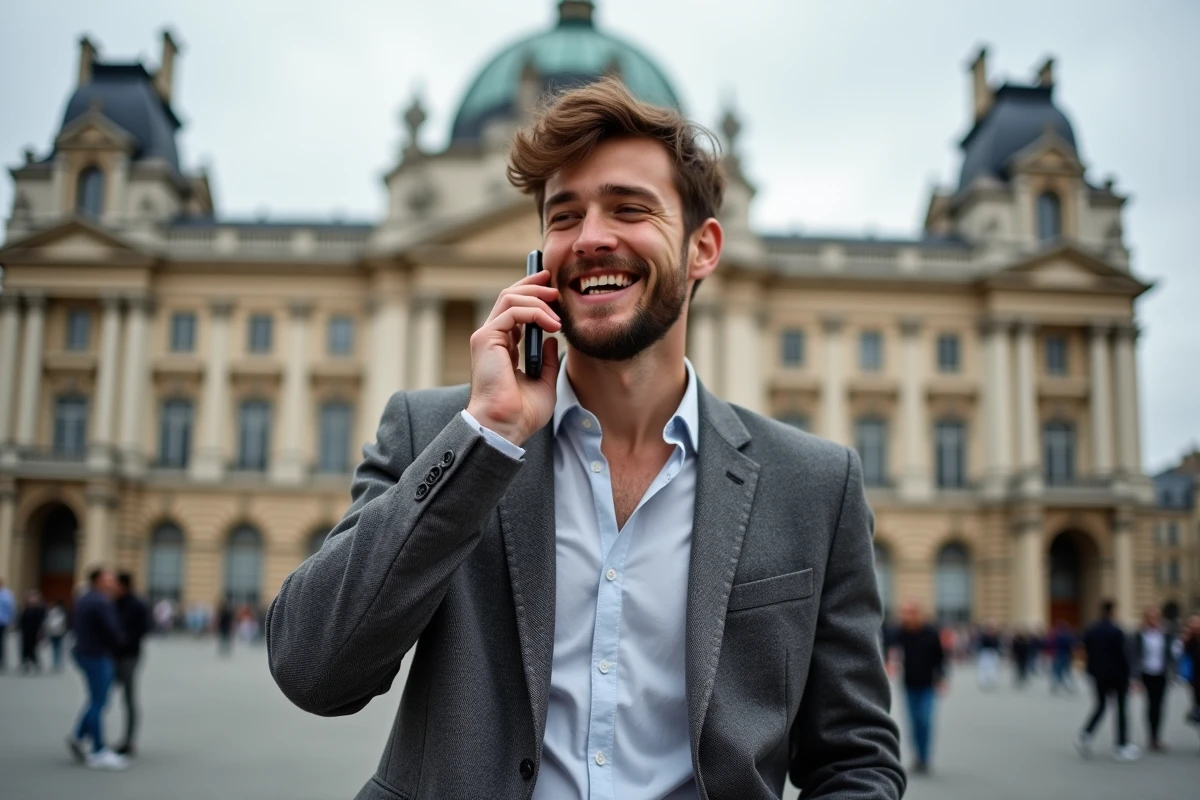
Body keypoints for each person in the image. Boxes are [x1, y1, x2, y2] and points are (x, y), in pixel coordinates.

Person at [266, 78, 904, 799]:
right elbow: (313, 671)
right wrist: (487, 436)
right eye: (564, 217)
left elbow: (855, 759)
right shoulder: (433, 436)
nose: (592, 237)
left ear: (703, 248)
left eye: (629, 208)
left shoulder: (815, 486)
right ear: (540, 256)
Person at [66, 567, 128, 770]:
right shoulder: (101, 601)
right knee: (99, 703)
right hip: (97, 655)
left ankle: (78, 735)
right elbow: (111, 630)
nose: (112, 582)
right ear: (99, 580)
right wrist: (121, 641)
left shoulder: (84, 597)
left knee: (95, 700)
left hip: (84, 652)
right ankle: (98, 751)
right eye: (109, 578)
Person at [1074, 600, 1140, 762]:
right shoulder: (1117, 631)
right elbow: (1123, 655)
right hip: (1117, 675)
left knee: (1101, 705)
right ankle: (1121, 745)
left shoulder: (1092, 629)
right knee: (1121, 709)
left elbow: (1086, 650)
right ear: (1112, 611)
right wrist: (1131, 676)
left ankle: (1085, 735)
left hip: (1098, 674)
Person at [893, 600, 945, 775]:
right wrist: (889, 662)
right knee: (913, 723)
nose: (906, 616)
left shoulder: (931, 633)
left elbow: (940, 658)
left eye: (909, 612)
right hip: (908, 685)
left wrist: (942, 677)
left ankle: (924, 757)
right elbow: (889, 649)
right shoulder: (900, 633)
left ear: (918, 613)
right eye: (904, 612)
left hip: (927, 685)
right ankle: (918, 758)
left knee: (925, 721)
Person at [113, 571, 149, 757]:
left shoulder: (136, 604)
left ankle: (128, 740)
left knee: (128, 698)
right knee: (100, 698)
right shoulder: (111, 602)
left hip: (128, 657)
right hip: (112, 657)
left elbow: (144, 629)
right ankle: (91, 737)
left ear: (122, 585)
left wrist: (123, 641)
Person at [19, 590, 47, 673]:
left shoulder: (39, 609)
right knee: (25, 649)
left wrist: (40, 632)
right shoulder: (26, 608)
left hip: (35, 632)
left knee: (33, 649)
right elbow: (21, 620)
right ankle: (25, 664)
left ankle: (35, 663)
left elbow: (41, 622)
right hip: (25, 632)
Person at [1049, 620, 1076, 694]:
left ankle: (1056, 687)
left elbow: (1052, 645)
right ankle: (1068, 687)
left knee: (1057, 672)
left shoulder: (1057, 636)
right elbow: (1071, 646)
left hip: (1059, 654)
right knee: (1066, 672)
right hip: (1065, 655)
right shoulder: (1068, 636)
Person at [977, 622, 1002, 689]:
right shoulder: (984, 636)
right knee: (984, 667)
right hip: (985, 653)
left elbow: (998, 645)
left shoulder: (995, 636)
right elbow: (981, 645)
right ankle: (983, 681)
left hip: (993, 653)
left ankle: (991, 679)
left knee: (993, 667)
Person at [44, 601, 68, 671]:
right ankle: (57, 664)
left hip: (57, 633)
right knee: (57, 648)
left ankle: (57, 664)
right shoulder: (55, 613)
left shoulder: (55, 613)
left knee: (56, 648)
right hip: (55, 633)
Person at [0, 576, 14, 671]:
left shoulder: (6, 594)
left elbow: (11, 609)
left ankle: (2, 661)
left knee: (1, 643)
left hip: (2, 622)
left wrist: (11, 620)